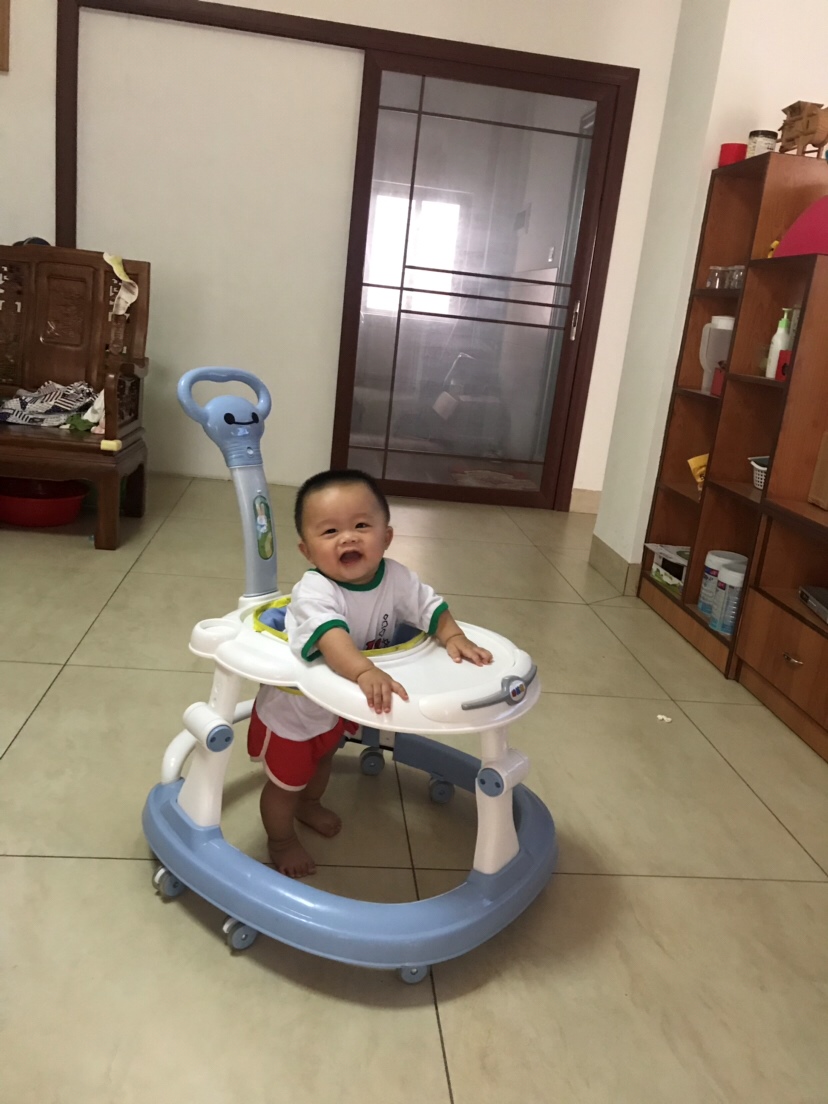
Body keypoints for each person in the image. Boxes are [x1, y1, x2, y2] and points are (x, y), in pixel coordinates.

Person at [248, 469, 493, 878]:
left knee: (324, 759)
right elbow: (332, 638)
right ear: (307, 551)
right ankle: (281, 839)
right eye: (330, 531)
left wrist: (452, 635)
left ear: (387, 536)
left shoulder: (396, 577)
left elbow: (429, 607)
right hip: (295, 710)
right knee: (285, 783)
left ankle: (310, 805)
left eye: (362, 525)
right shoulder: (315, 590)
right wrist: (364, 670)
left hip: (335, 704)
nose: (348, 538)